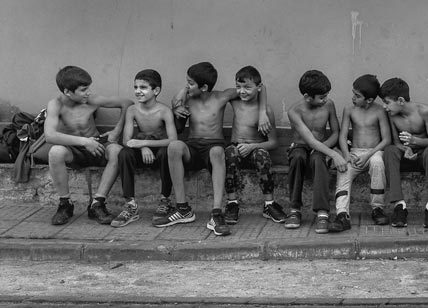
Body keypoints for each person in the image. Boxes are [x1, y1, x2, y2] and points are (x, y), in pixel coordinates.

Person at [157, 61, 264, 236]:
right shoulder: (188, 100)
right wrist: (178, 104)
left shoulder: (222, 96)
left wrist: (263, 112)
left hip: (214, 147)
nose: (187, 86)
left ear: (204, 87)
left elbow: (260, 88)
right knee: (174, 146)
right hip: (192, 147)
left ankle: (216, 213)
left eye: (191, 83)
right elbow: (177, 129)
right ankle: (183, 208)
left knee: (217, 151)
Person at [44, 66, 132, 226]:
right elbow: (49, 135)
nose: (88, 92)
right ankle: (65, 205)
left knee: (117, 150)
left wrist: (117, 130)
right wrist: (85, 141)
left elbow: (127, 104)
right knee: (55, 152)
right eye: (84, 89)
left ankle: (97, 204)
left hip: (97, 146)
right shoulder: (56, 104)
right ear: (67, 91)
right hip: (74, 149)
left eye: (88, 88)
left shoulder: (91, 100)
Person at [112, 69, 177, 228]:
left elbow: (173, 140)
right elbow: (127, 140)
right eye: (135, 87)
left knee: (167, 153)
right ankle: (131, 205)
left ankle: (165, 200)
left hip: (159, 149)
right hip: (142, 150)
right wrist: (142, 147)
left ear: (156, 91)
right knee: (124, 154)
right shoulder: (132, 110)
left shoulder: (164, 111)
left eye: (143, 87)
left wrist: (145, 144)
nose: (138, 91)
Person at [285, 69, 348, 233]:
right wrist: (334, 154)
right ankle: (294, 210)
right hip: (301, 146)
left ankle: (322, 213)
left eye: (326, 95)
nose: (325, 99)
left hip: (322, 146)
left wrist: (326, 148)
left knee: (318, 159)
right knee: (297, 158)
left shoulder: (329, 105)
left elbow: (336, 133)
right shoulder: (294, 111)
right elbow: (310, 141)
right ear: (307, 97)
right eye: (321, 97)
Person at [224, 66, 286, 226]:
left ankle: (269, 204)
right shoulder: (235, 102)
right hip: (236, 151)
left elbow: (273, 142)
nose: (242, 91)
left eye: (247, 87)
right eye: (239, 87)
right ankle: (232, 203)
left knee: (262, 154)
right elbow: (229, 91)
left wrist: (252, 147)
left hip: (254, 152)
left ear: (258, 88)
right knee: (229, 152)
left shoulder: (266, 112)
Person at [379, 77, 428, 229]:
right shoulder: (392, 115)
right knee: (389, 150)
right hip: (404, 154)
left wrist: (415, 141)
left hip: (424, 155)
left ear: (400, 100)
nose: (384, 107)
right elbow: (396, 142)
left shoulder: (424, 111)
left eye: (387, 102)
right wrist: (406, 149)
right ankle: (399, 206)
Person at [331, 74, 390, 232]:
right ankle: (342, 215)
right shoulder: (349, 109)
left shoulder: (379, 111)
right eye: (353, 93)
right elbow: (343, 135)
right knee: (343, 169)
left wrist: (369, 155)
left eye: (357, 96)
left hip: (374, 152)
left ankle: (377, 208)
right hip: (354, 153)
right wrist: (346, 154)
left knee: (378, 163)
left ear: (369, 100)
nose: (353, 98)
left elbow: (386, 139)